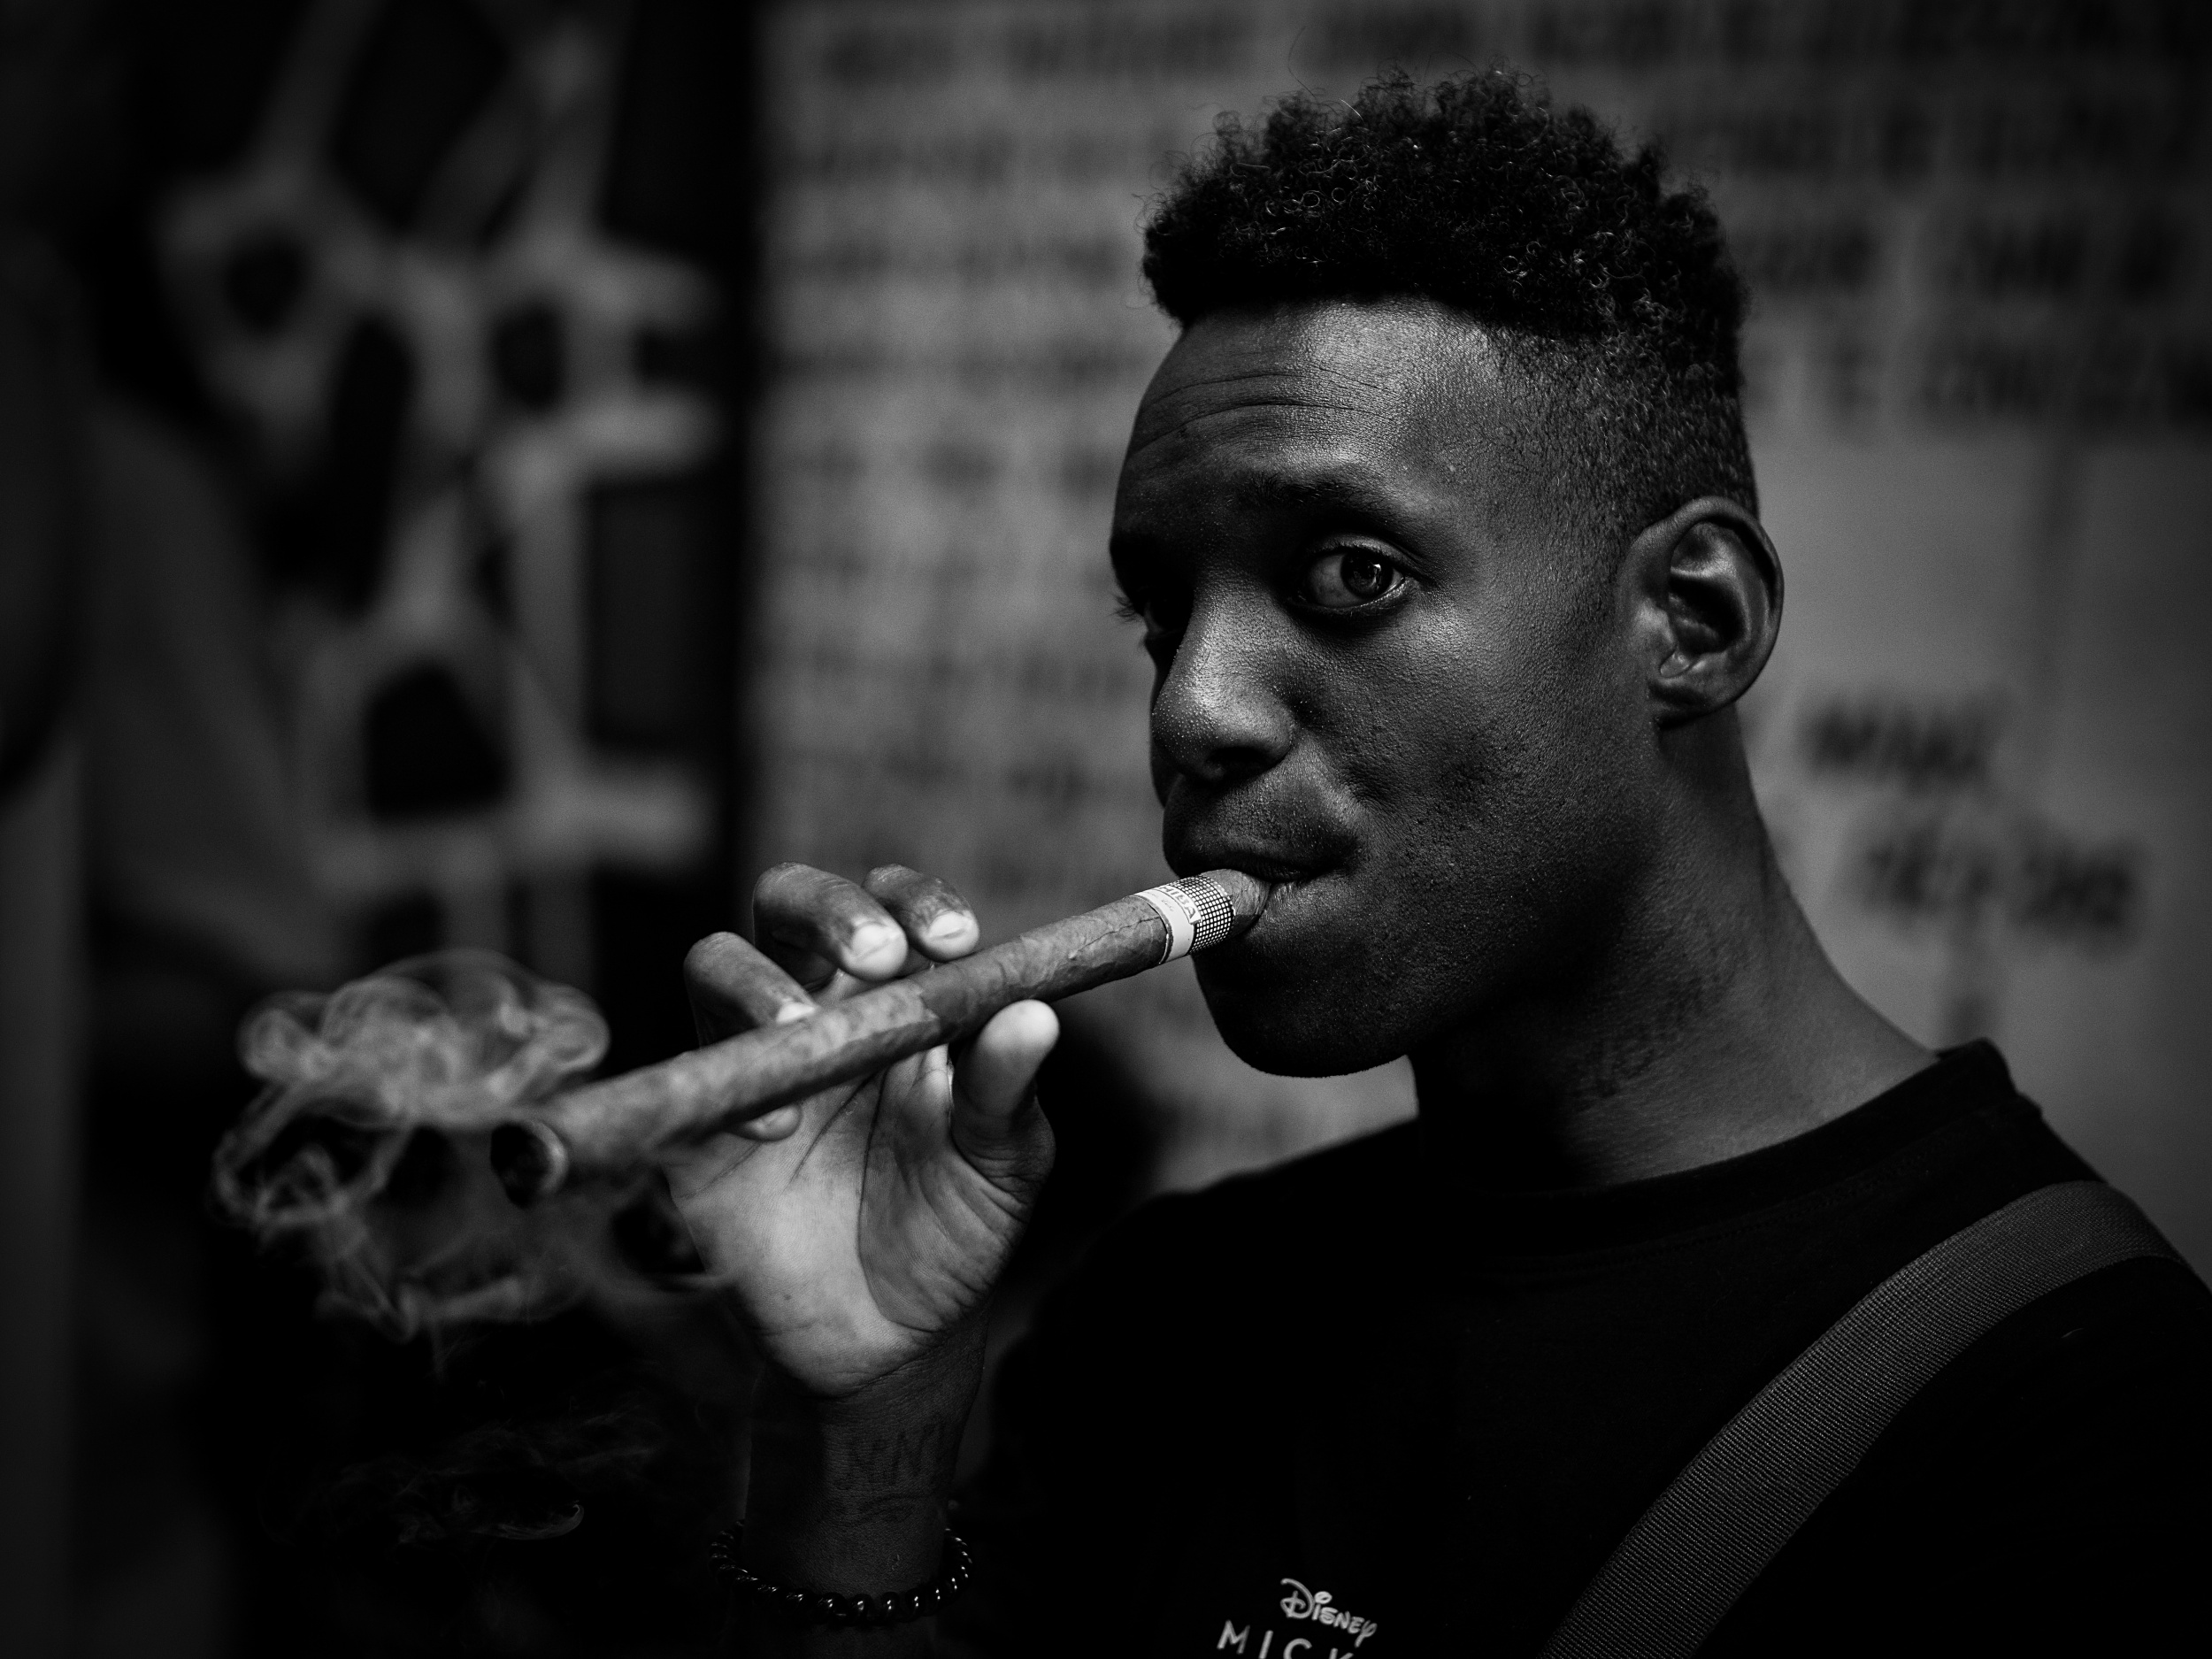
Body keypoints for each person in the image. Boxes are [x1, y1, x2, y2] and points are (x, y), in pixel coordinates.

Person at [663, 73, 2212, 1655]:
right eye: (1164, 614)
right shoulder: (1179, 1316)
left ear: (1693, 623)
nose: (1193, 709)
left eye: (1351, 575)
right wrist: (863, 1408)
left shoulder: (2077, 1420)